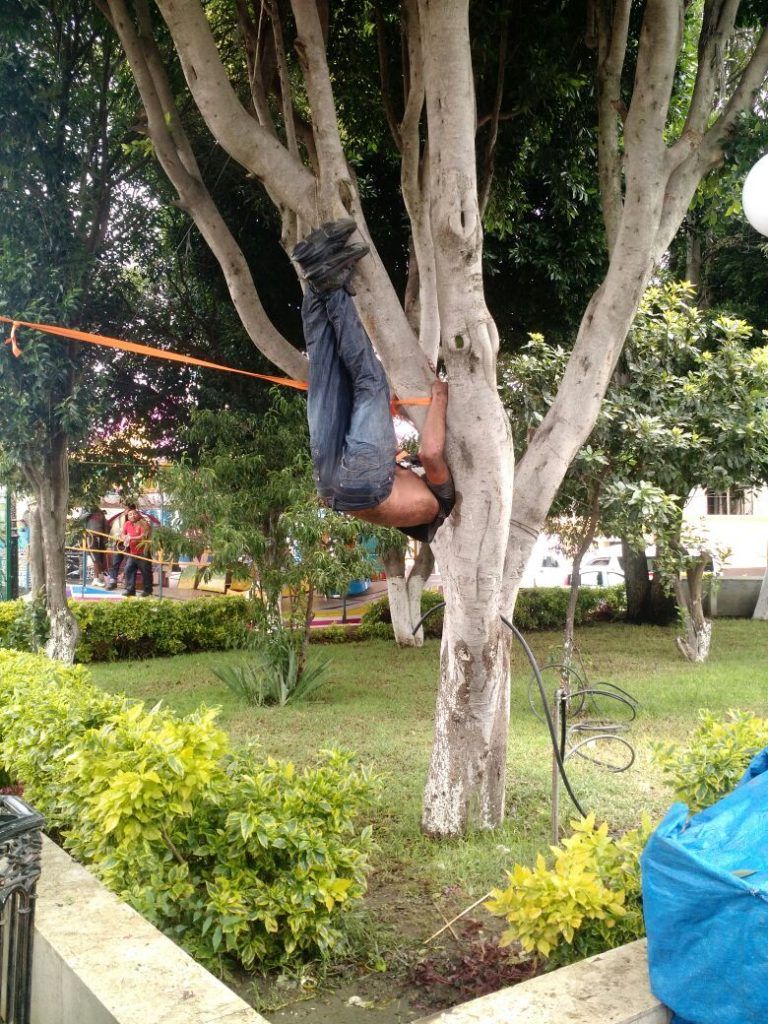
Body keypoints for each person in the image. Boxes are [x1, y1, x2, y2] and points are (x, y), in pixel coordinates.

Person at [293, 220, 455, 543]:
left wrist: (440, 393)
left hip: (365, 484)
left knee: (371, 383)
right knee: (326, 374)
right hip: (331, 488)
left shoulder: (442, 504)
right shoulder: (405, 507)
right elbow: (383, 448)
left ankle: (329, 284)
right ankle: (317, 279)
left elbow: (432, 453)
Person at [105, 506, 153, 596]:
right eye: (130, 514)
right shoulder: (127, 523)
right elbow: (123, 533)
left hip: (143, 553)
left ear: (138, 514)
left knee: (145, 572)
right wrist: (124, 537)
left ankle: (148, 591)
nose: (132, 516)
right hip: (132, 552)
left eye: (134, 513)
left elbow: (143, 536)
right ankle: (130, 589)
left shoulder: (143, 523)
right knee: (128, 569)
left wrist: (131, 538)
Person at [84, 506, 108, 585]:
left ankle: (99, 577)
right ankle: (96, 578)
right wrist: (88, 513)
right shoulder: (86, 509)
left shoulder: (101, 513)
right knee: (95, 559)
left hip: (100, 538)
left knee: (101, 558)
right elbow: (79, 519)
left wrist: (105, 539)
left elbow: (105, 526)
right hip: (90, 537)